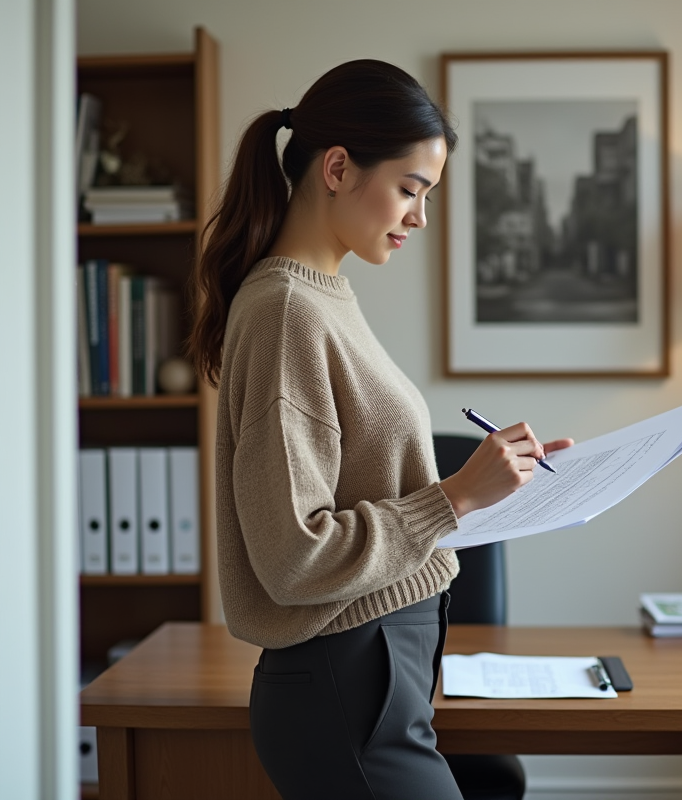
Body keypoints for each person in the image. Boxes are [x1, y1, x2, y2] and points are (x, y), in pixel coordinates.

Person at [186, 59, 571, 800]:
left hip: (377, 675)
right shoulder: (287, 311)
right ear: (337, 167)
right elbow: (292, 556)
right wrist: (451, 500)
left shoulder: (324, 297)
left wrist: (494, 487)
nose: (419, 218)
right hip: (344, 681)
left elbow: (366, 483)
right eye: (410, 189)